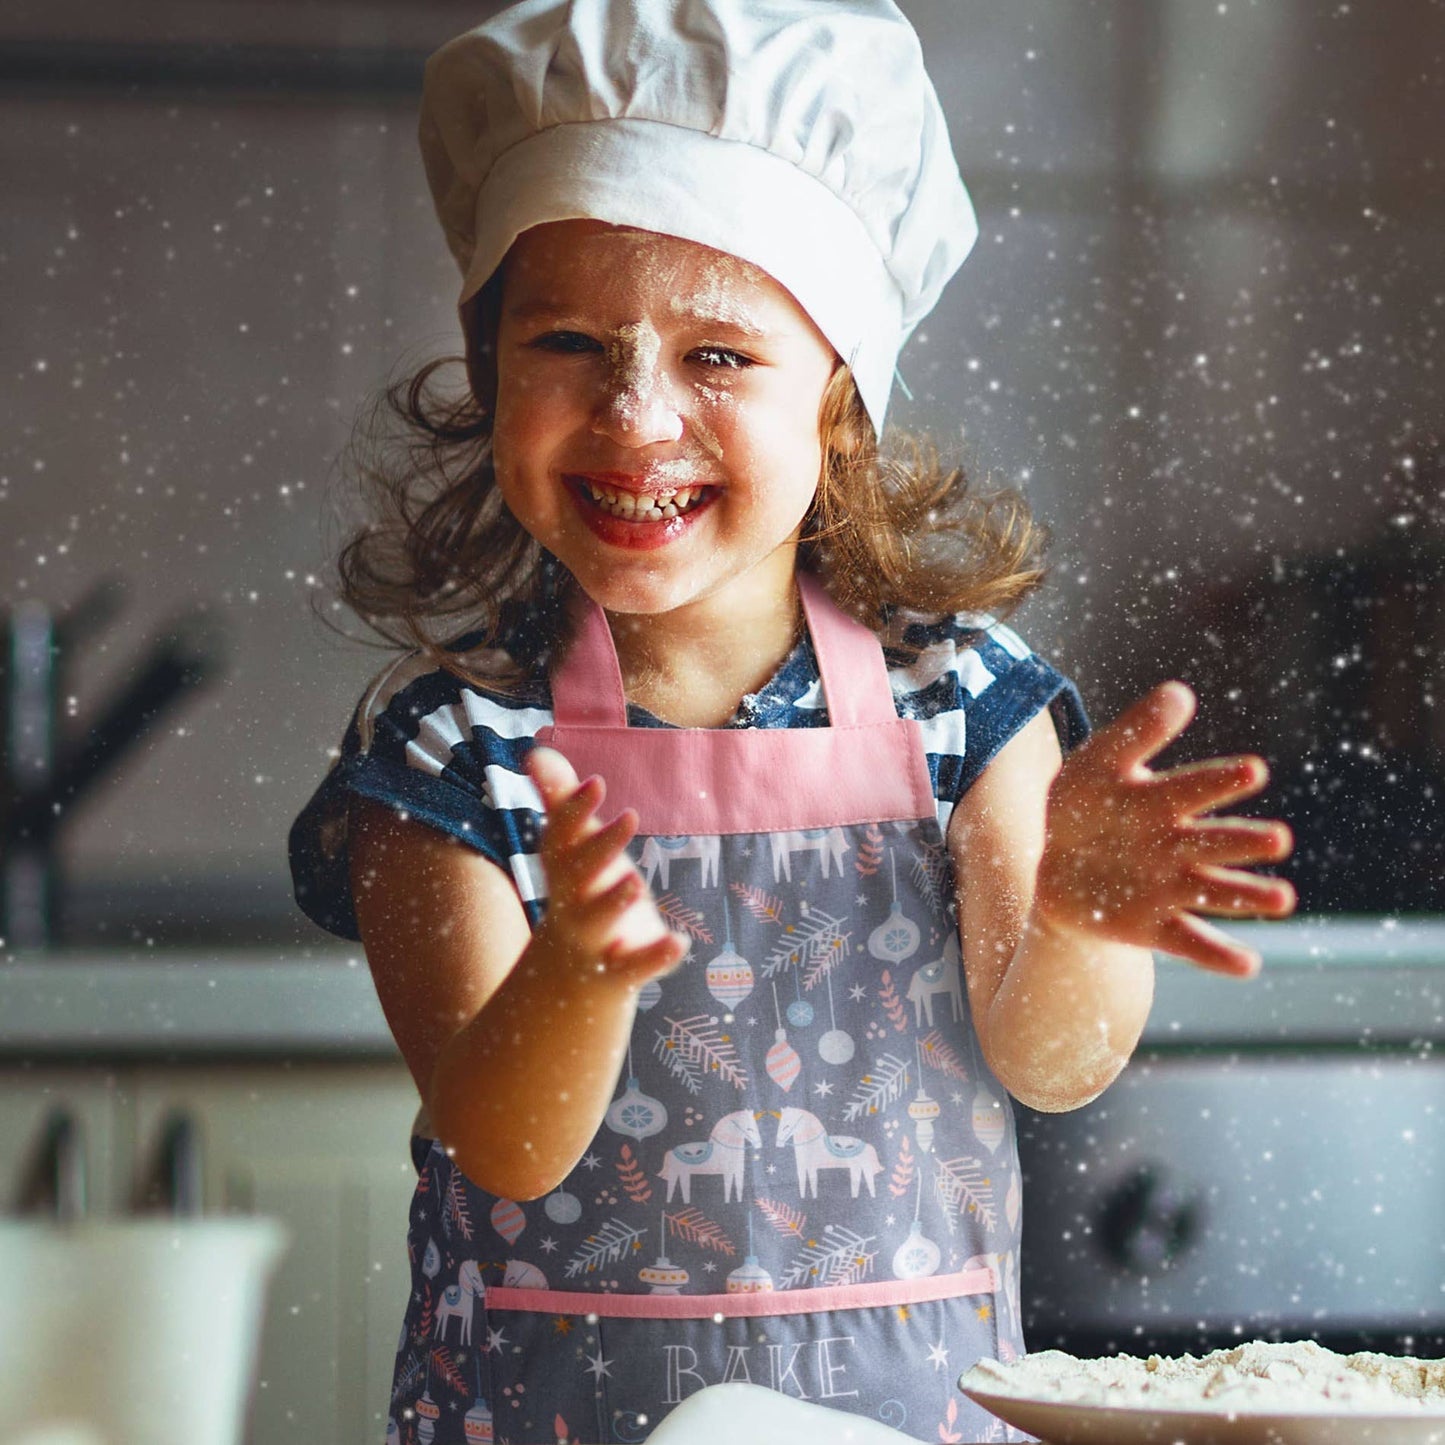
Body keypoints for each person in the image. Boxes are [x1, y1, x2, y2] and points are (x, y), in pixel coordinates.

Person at [289, 3, 1296, 1441]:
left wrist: (1074, 914)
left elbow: (1049, 1061)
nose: (634, 412)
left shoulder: (963, 705)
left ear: (838, 402)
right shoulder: (455, 754)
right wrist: (578, 967)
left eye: (718, 357)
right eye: (568, 339)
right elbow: (504, 1144)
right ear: (490, 373)